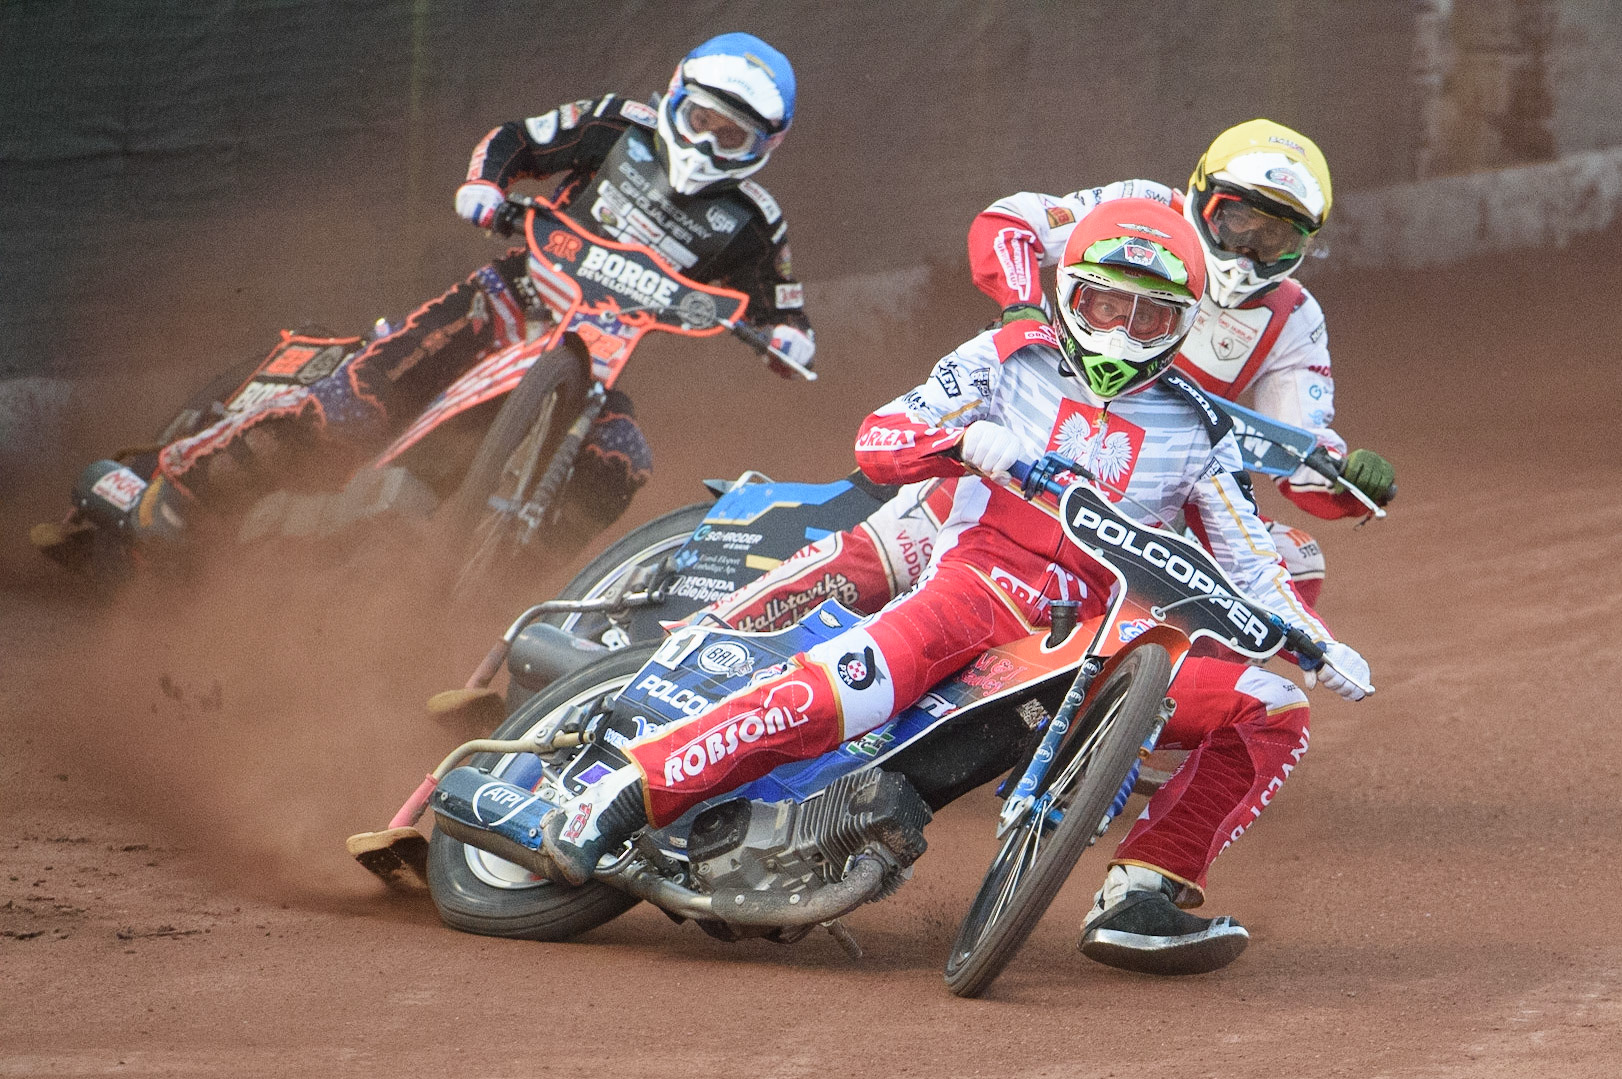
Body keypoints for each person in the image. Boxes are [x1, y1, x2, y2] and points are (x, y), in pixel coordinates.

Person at [535, 198, 1374, 976]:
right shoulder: (1008, 356)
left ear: (1184, 326)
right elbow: (880, 436)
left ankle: (1142, 893)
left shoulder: (1200, 426)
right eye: (1103, 306)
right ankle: (620, 791)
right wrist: (967, 441)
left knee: (1271, 702)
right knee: (837, 690)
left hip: (1098, 631)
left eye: (1151, 317)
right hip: (976, 589)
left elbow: (1248, 555)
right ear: (1065, 296)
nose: (1123, 332)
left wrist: (1319, 640)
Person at [36, 32, 813, 563]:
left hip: (597, 356)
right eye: (702, 121)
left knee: (622, 458)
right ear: (674, 96)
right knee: (351, 409)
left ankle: (485, 597)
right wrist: (486, 186)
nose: (708, 145)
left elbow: (782, 306)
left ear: (763, 150)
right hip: (507, 302)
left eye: (733, 138)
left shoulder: (751, 221)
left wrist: (788, 341)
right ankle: (174, 496)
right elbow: (519, 139)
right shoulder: (618, 127)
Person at [969, 118, 1395, 604]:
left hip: (1154, 501)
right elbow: (1008, 223)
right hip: (1024, 445)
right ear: (1201, 195)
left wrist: (1349, 482)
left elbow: (1300, 452)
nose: (1246, 256)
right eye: (1236, 224)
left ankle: (1172, 675)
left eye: (1273, 240)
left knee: (1296, 562)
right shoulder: (1141, 209)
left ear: (1304, 244)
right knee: (872, 560)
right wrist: (1021, 306)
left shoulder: (1295, 316)